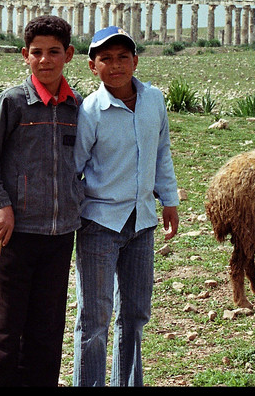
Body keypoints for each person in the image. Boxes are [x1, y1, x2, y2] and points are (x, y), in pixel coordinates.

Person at [0, 15, 83, 386]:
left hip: (60, 234)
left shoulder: (77, 108)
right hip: (17, 233)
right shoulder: (13, 103)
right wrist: (0, 205)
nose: (45, 60)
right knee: (7, 330)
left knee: (47, 331)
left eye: (54, 52)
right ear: (25, 55)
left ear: (68, 54)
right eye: (37, 53)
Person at [72, 26, 180, 386]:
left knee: (134, 315)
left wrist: (169, 199)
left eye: (123, 57)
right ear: (92, 66)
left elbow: (161, 151)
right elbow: (75, 168)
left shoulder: (154, 100)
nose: (115, 66)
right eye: (106, 59)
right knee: (95, 319)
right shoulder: (90, 111)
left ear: (135, 60)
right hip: (100, 224)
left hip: (142, 222)